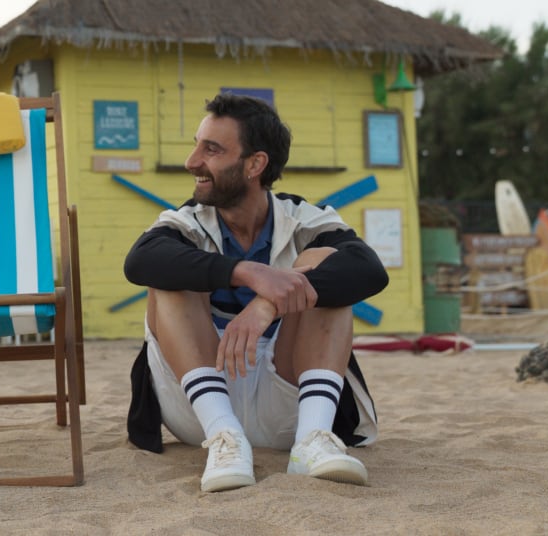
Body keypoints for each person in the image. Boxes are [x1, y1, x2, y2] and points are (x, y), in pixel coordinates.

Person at [123, 94, 388, 493]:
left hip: (290, 401)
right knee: (171, 273)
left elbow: (369, 270)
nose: (192, 161)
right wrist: (246, 272)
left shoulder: (304, 218)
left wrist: (269, 303)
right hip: (199, 408)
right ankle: (226, 437)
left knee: (321, 262)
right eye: (197, 145)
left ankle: (313, 441)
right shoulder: (186, 221)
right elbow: (139, 262)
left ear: (255, 164)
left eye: (211, 149)